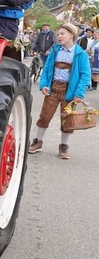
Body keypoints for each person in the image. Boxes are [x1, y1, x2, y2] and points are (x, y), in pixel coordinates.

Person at [28, 23, 91, 159]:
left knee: (67, 120)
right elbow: (46, 69)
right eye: (58, 34)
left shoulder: (80, 54)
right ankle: (38, 142)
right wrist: (44, 85)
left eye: (62, 33)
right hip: (54, 90)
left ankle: (63, 145)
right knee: (45, 116)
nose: (59, 36)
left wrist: (79, 93)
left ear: (71, 35)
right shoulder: (55, 51)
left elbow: (85, 75)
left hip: (70, 92)